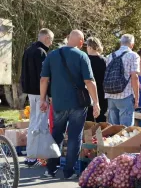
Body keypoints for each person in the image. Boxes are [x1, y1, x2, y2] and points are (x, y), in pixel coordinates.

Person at [40, 30, 100, 179]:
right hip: (78, 104)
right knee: (74, 136)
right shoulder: (82, 56)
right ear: (81, 42)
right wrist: (96, 102)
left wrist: (42, 99)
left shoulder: (52, 55)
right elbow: (89, 81)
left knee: (56, 135)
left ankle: (51, 169)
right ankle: (69, 171)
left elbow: (43, 79)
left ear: (68, 39)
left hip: (58, 103)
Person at [20, 28, 54, 167]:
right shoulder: (41, 52)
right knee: (39, 123)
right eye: (51, 40)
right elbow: (43, 77)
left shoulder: (29, 50)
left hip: (30, 91)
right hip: (39, 92)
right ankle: (33, 156)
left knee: (34, 122)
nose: (51, 43)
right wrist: (46, 95)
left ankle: (31, 154)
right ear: (46, 38)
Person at [105, 34, 140, 126]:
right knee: (125, 131)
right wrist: (137, 97)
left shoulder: (110, 56)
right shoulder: (133, 55)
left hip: (111, 96)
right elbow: (134, 76)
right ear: (132, 45)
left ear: (121, 43)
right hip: (125, 96)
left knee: (113, 130)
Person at [86, 37, 107, 122]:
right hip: (102, 93)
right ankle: (100, 135)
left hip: (88, 93)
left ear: (90, 47)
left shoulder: (85, 60)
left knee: (88, 121)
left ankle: (88, 135)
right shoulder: (104, 60)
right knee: (101, 120)